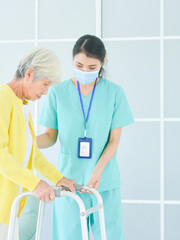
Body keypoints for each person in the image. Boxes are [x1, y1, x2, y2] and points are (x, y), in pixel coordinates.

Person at [0, 47, 76, 240]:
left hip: (5, 207)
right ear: (29, 74)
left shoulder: (21, 106)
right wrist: (35, 184)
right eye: (45, 84)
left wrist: (59, 179)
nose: (46, 92)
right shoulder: (0, 99)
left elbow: (33, 154)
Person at [37, 35, 134, 240]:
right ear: (72, 60)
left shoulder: (115, 93)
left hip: (104, 181)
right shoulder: (57, 93)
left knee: (109, 236)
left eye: (92, 67)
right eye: (79, 65)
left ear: (102, 62)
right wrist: (26, 142)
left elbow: (114, 140)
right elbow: (49, 137)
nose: (84, 71)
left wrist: (97, 171)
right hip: (67, 182)